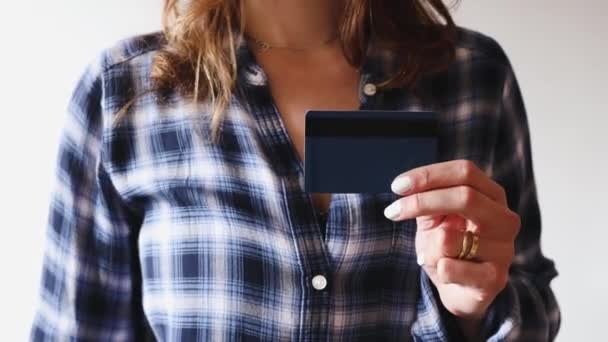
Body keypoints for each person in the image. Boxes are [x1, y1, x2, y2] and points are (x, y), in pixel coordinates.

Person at [30, 0, 560, 340]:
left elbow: (534, 305)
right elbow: (75, 332)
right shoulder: (125, 91)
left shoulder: (474, 77)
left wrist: (472, 311)